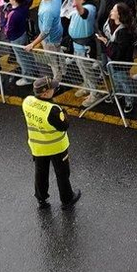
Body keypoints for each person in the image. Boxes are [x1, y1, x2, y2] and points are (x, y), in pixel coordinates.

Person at [23, 76, 81, 209]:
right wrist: (64, 113)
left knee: (40, 173)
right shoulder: (53, 109)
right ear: (45, 93)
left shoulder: (27, 101)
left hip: (38, 147)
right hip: (56, 148)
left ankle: (41, 198)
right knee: (62, 174)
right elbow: (64, 125)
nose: (54, 89)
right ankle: (67, 199)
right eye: (52, 88)